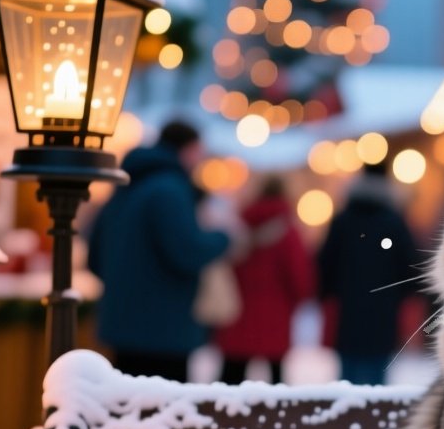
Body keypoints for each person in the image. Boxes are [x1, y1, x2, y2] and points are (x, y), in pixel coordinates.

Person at [87, 119, 231, 383]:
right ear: (188, 150)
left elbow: (94, 257)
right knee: (163, 415)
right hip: (164, 330)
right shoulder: (170, 190)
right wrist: (223, 238)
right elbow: (187, 251)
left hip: (122, 324)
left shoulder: (125, 188)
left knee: (127, 409)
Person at [317, 160, 417, 386]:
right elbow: (410, 266)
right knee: (377, 379)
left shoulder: (343, 220)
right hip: (383, 311)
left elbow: (325, 263)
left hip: (347, 310)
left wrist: (327, 294)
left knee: (346, 377)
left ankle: (345, 417)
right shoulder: (394, 222)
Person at [214, 176, 314, 384]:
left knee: (231, 379)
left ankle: (224, 416)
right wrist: (299, 299)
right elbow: (299, 277)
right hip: (276, 314)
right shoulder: (288, 232)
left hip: (239, 312)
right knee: (276, 381)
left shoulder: (240, 226)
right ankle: (279, 416)